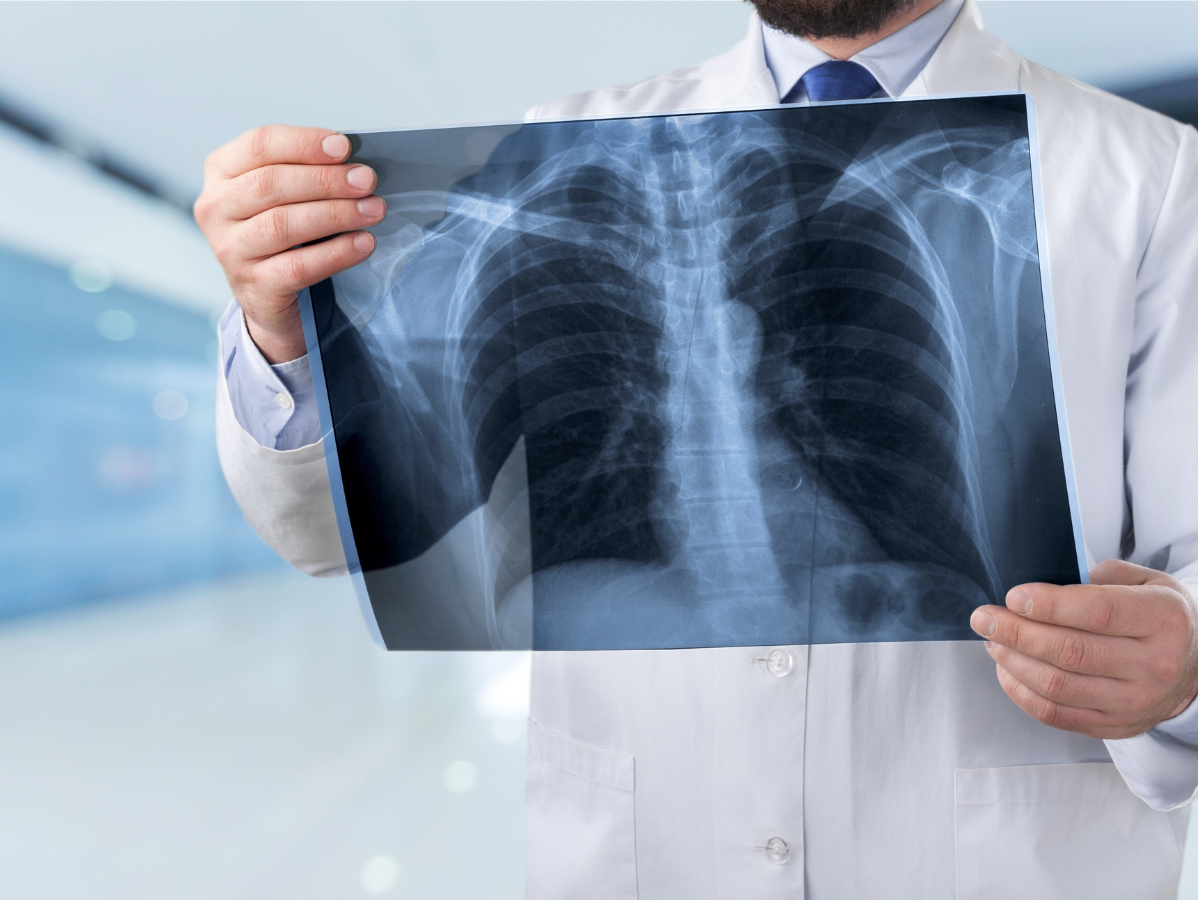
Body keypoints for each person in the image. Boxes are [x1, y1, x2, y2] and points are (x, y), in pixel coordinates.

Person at [194, 0, 1198, 895]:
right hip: (644, 854)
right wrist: (283, 333)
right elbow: (336, 532)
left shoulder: (1149, 178)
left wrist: (1183, 655)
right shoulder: (549, 151)